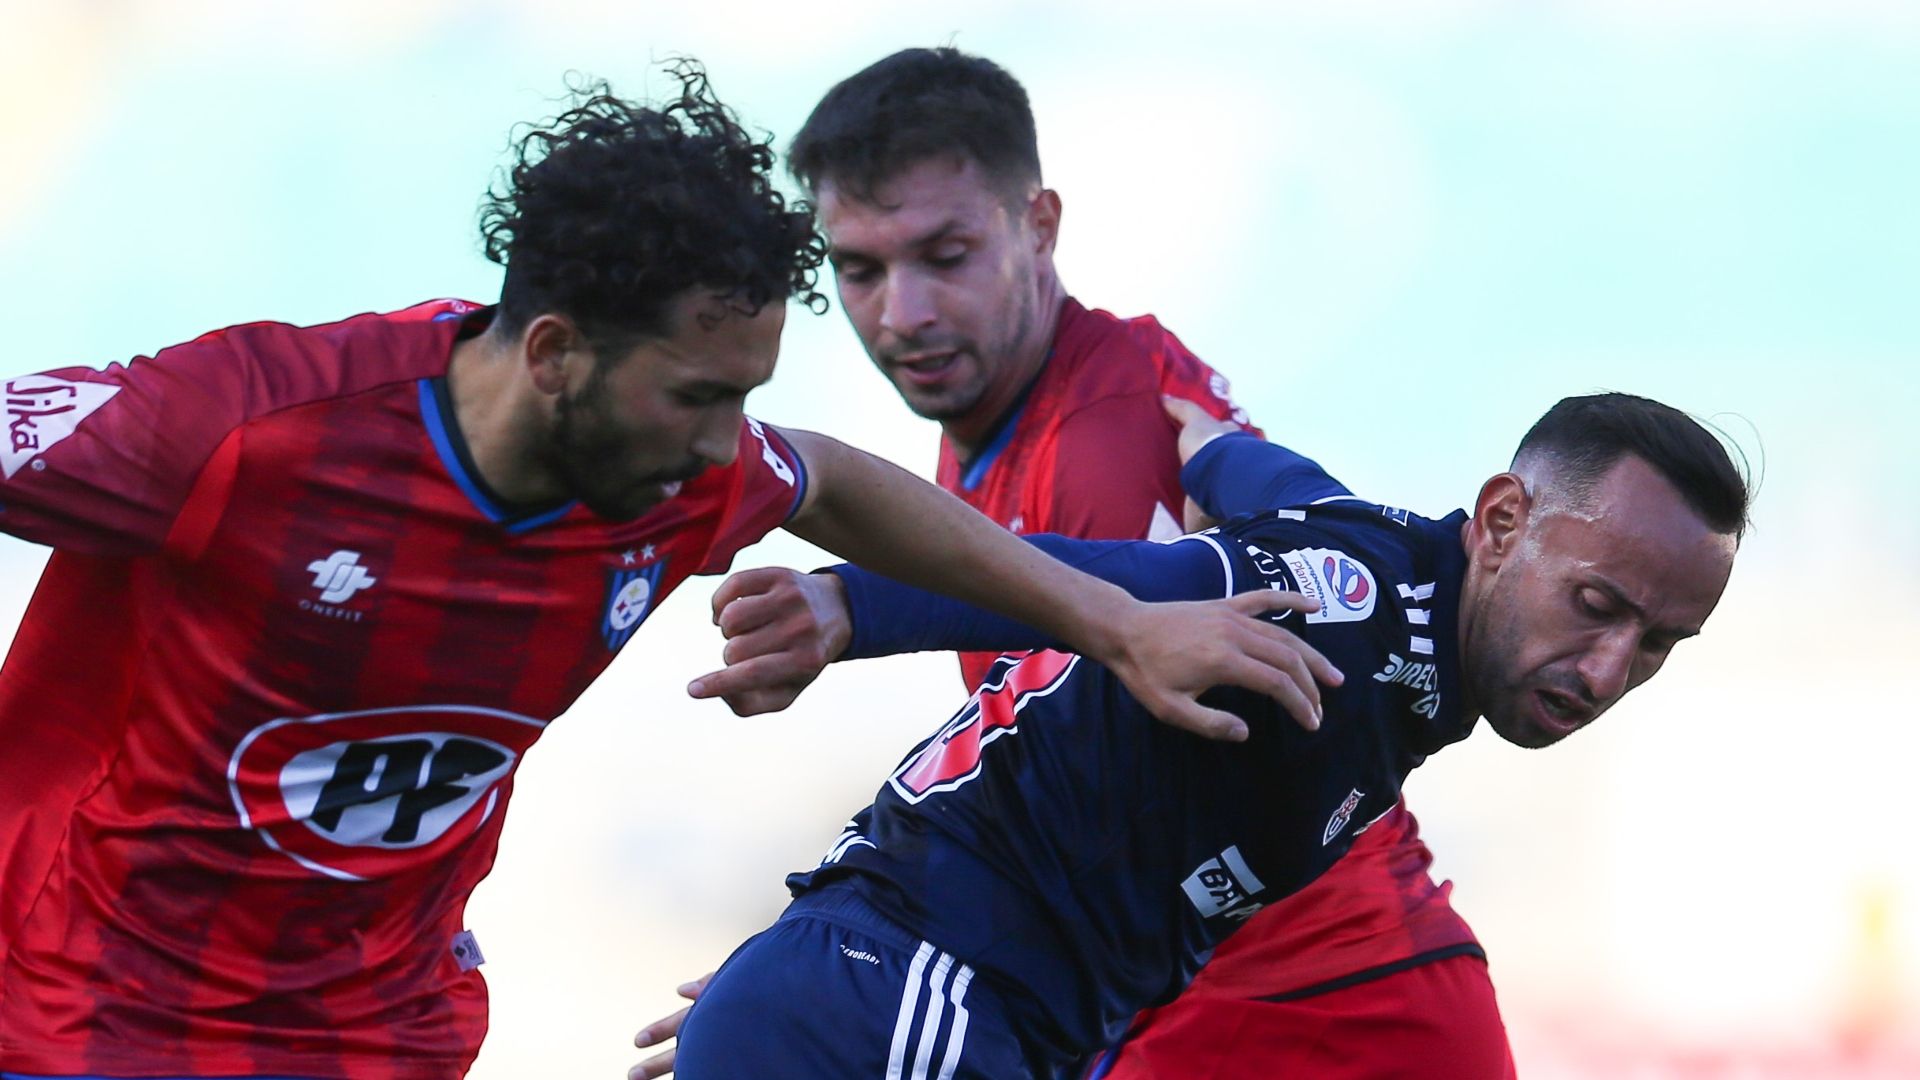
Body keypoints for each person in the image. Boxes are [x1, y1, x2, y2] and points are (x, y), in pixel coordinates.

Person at [0, 64, 1323, 1080]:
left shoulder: (673, 467)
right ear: (555, 355)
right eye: (697, 397)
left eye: (739, 398)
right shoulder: (241, 428)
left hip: (378, 1033)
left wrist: (1117, 624)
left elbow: (831, 480)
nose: (722, 447)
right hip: (85, 1014)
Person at [635, 47, 1507, 1079]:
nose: (903, 312)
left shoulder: (1104, 439)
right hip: (1209, 993)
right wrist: (843, 963)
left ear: (1039, 226)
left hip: (1316, 1008)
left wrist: (859, 982)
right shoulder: (1011, 419)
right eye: (861, 270)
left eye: (945, 255)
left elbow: (1098, 826)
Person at [664, 390, 1749, 1077]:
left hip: (915, 1001)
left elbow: (1287, 487)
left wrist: (1214, 449)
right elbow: (1127, 585)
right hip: (912, 997)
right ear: (1503, 522)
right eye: (1596, 606)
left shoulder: (1409, 602)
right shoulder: (1350, 606)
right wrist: (850, 607)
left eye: (1659, 643)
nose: (1608, 670)